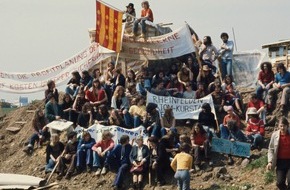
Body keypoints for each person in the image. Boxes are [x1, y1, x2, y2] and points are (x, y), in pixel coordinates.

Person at [267, 117, 290, 190]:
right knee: (279, 183)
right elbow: (271, 149)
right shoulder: (275, 135)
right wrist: (270, 161)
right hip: (280, 162)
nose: (283, 128)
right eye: (281, 126)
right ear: (278, 126)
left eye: (284, 126)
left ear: (287, 126)